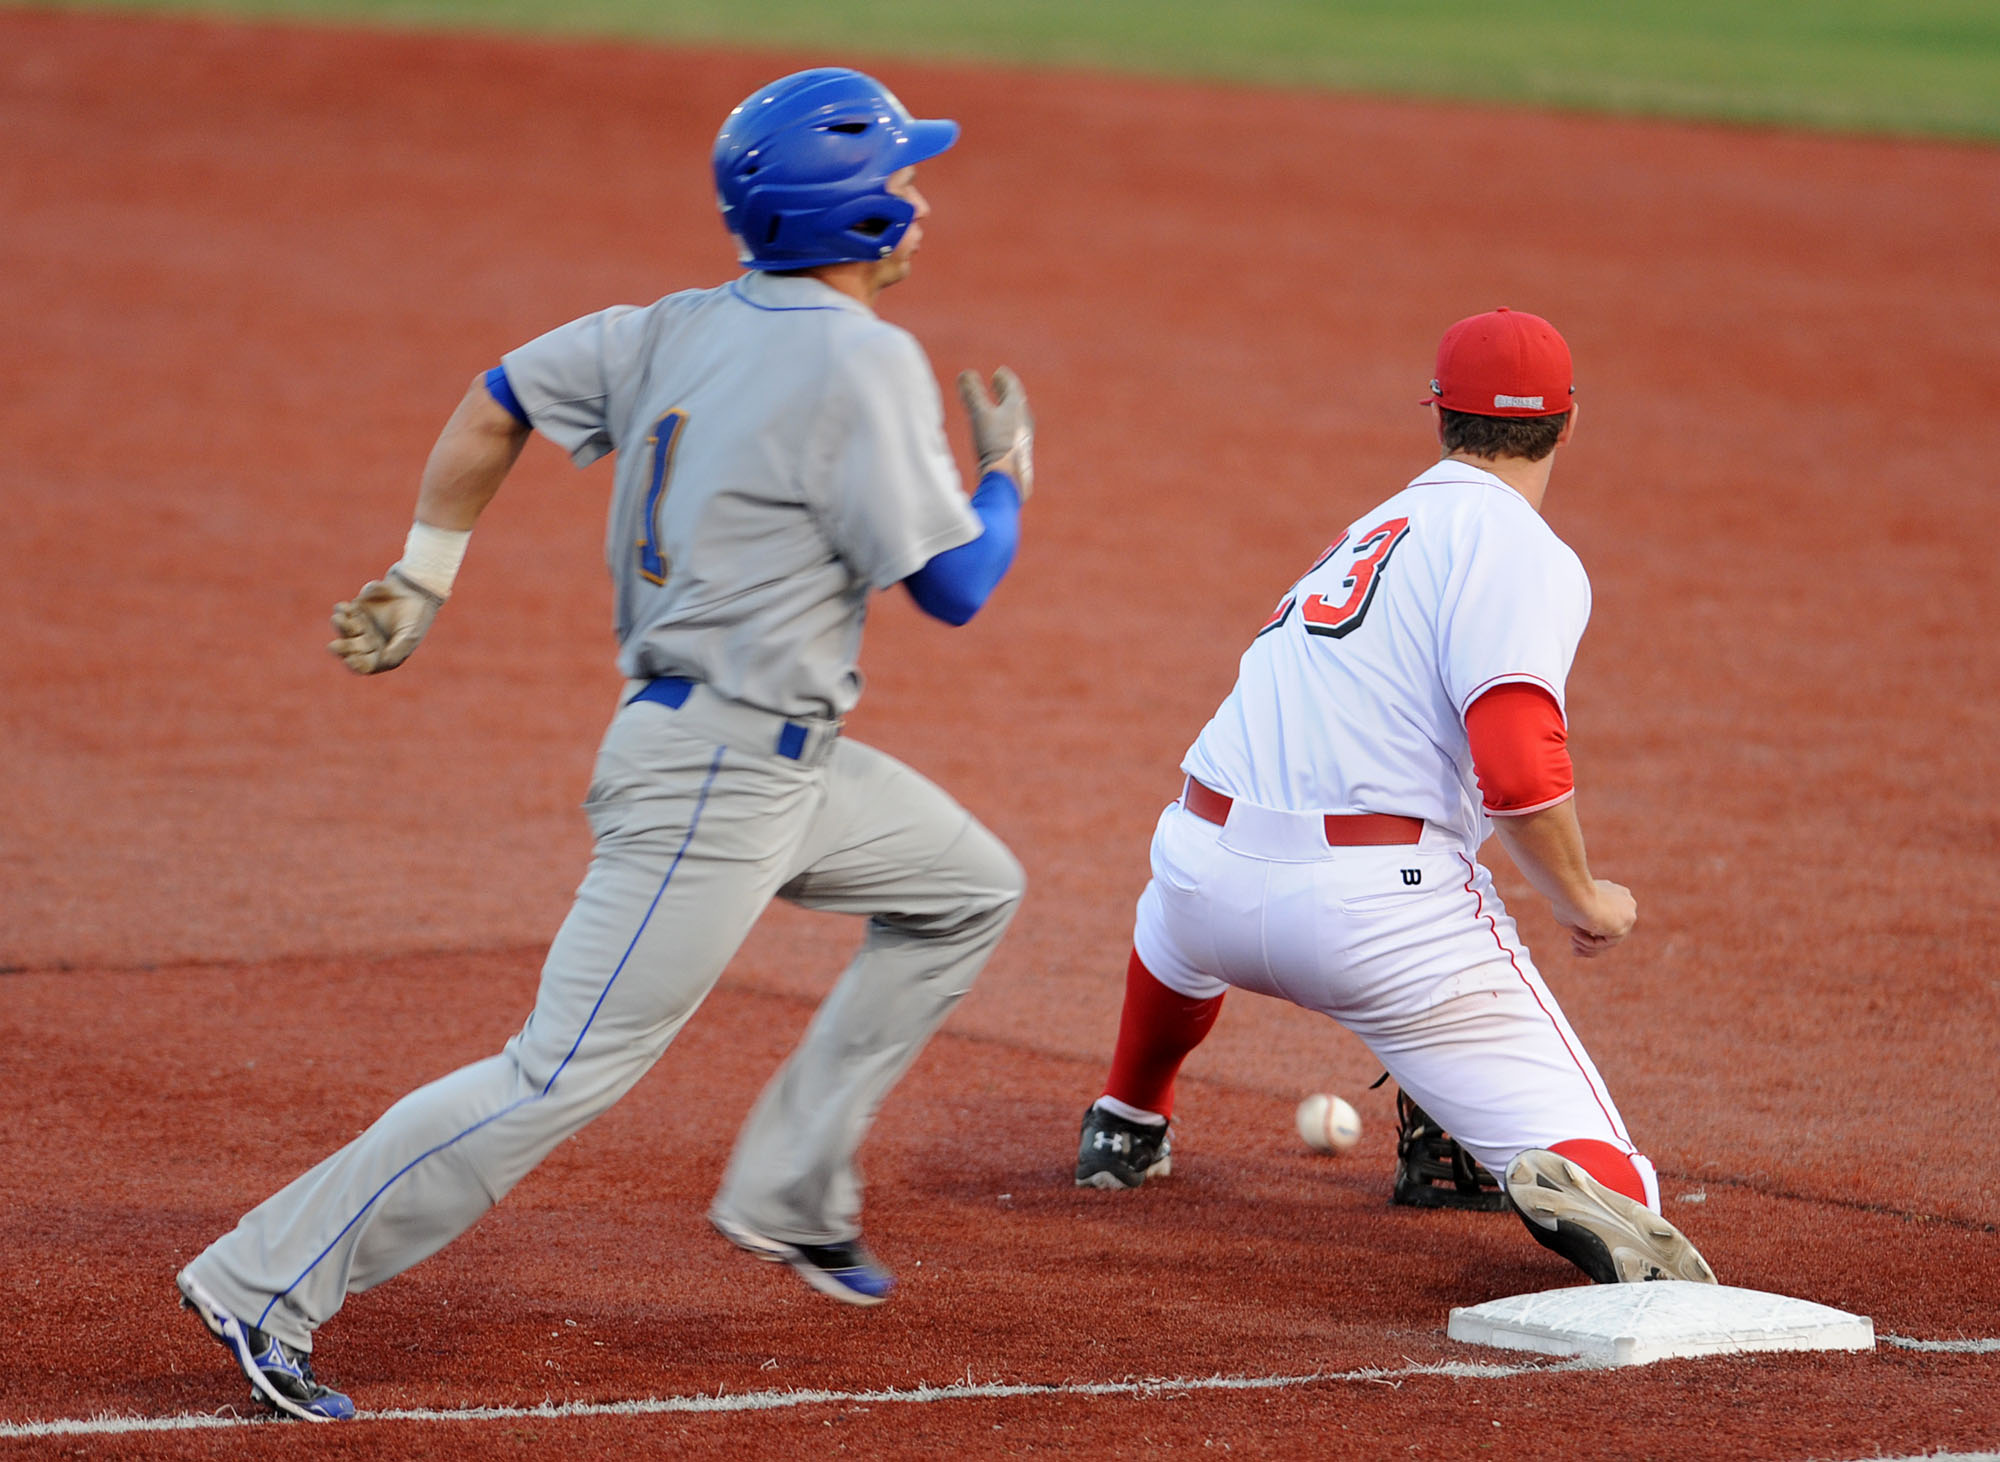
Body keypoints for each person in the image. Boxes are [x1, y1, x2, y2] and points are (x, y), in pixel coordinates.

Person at [175, 67, 1034, 1421]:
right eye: (903, 175)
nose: (921, 193)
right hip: (718, 782)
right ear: (859, 215)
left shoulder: (670, 326)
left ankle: (786, 1186)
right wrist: (1006, 479)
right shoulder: (863, 357)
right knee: (558, 1069)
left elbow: (497, 398)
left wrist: (424, 570)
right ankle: (265, 1282)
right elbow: (956, 586)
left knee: (967, 886)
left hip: (765, 761)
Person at [1071, 308, 1716, 1291]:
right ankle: (1513, 1145)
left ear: (1439, 418)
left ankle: (1124, 1120)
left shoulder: (1372, 527)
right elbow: (1513, 760)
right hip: (1376, 923)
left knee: (1174, 912)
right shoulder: (1518, 547)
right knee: (1633, 1203)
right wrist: (1582, 900)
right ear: (1567, 424)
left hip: (1197, 876)